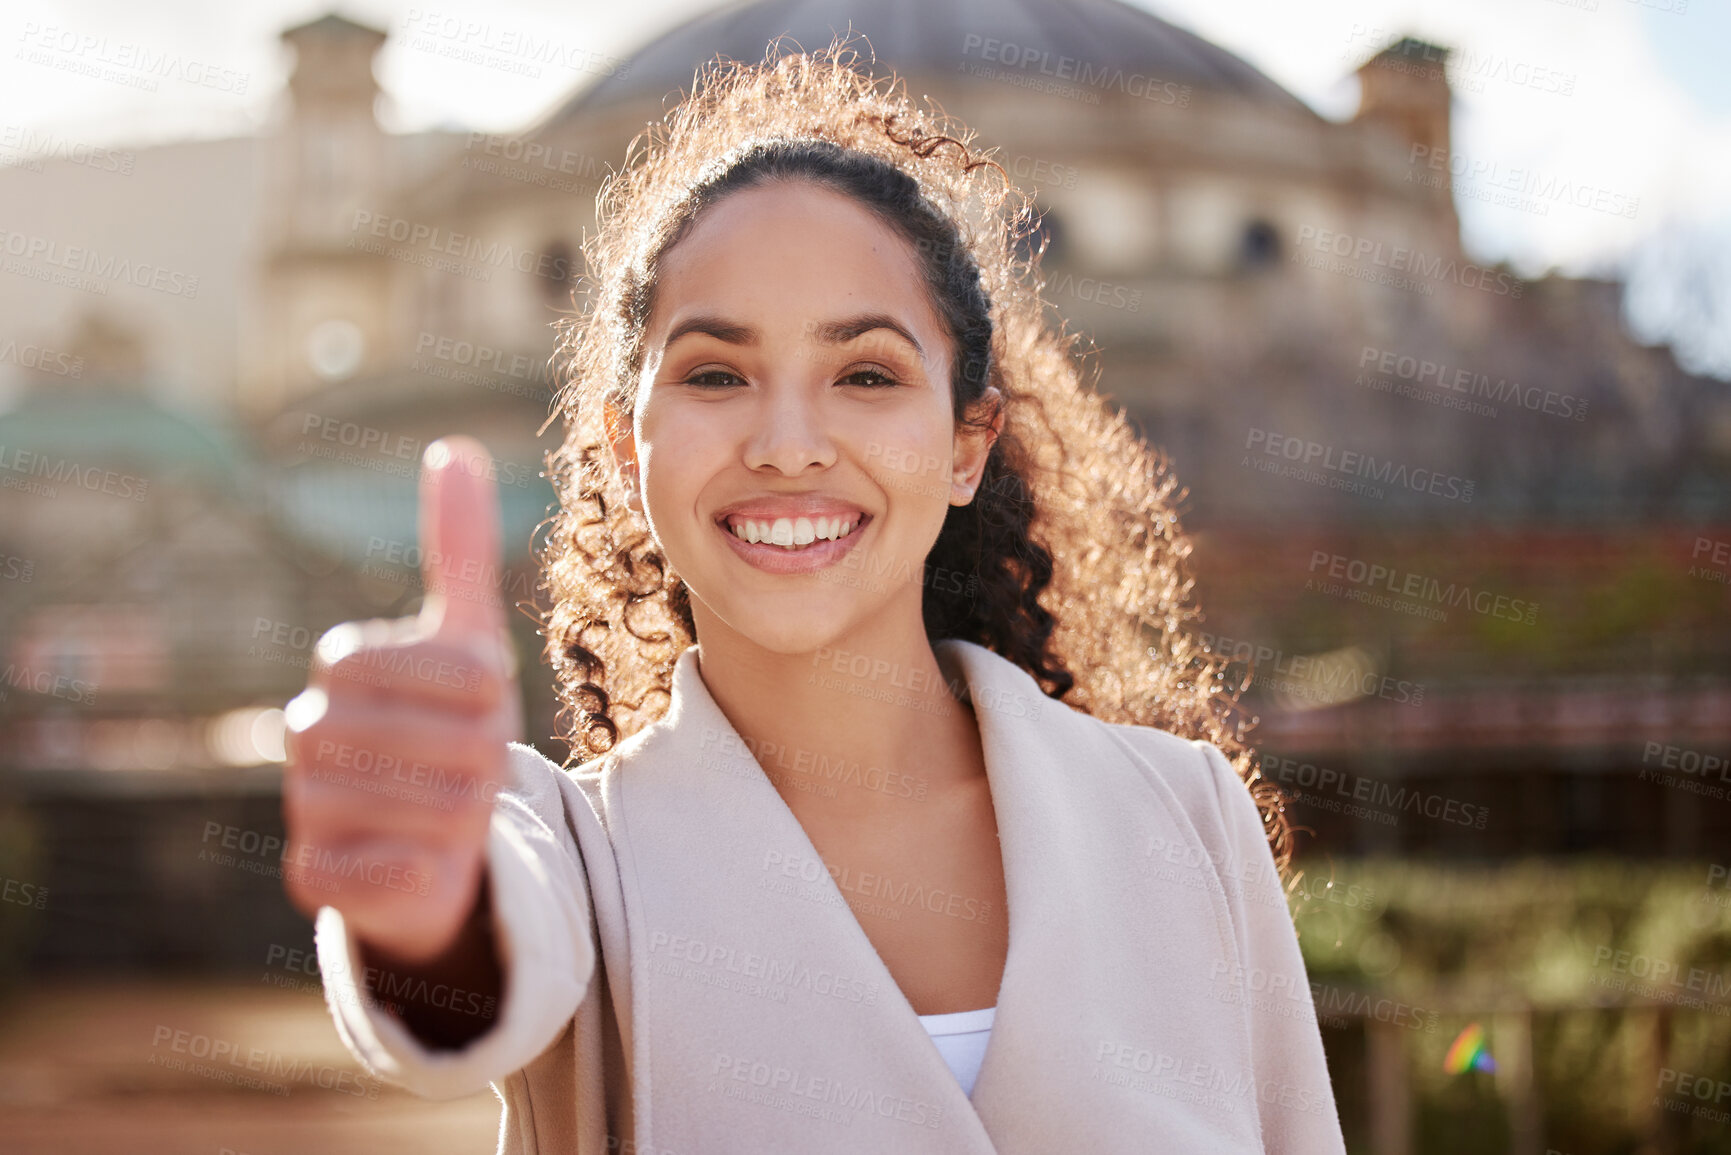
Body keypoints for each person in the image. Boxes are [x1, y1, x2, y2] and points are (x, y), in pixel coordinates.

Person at [280, 39, 1346, 1155]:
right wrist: (424, 909)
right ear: (624, 446)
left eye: (867, 375)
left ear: (969, 443)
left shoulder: (1184, 818)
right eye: (714, 374)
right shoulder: (576, 856)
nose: (788, 446)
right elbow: (474, 966)